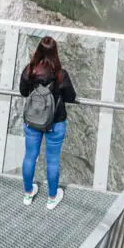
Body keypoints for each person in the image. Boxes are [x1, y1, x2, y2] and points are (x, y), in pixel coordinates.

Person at [18, 36, 76, 209]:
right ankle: (52, 198)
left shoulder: (30, 71)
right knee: (52, 161)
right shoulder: (60, 75)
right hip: (55, 123)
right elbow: (70, 97)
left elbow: (23, 92)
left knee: (30, 156)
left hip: (32, 121)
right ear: (55, 53)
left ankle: (28, 194)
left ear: (38, 51)